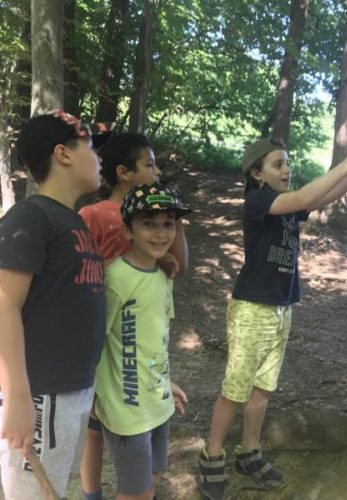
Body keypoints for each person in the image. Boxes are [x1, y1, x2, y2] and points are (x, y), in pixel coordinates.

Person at [199, 136, 347, 500]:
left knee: (263, 388)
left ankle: (249, 453)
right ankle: (212, 454)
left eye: (288, 163)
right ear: (257, 174)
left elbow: (323, 197)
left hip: (282, 307)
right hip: (253, 308)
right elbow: (306, 196)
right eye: (278, 164)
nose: (287, 169)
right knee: (235, 389)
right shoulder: (258, 201)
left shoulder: (287, 204)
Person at [0, 111, 111, 499]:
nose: (99, 158)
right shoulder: (31, 216)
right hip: (40, 395)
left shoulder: (74, 223)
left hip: (73, 392)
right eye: (91, 147)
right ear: (63, 154)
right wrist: (17, 397)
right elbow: (4, 304)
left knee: (55, 488)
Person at [78, 133, 189, 500]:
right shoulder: (114, 279)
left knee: (152, 478)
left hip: (157, 402)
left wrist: (165, 382)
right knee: (135, 490)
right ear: (127, 230)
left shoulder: (164, 276)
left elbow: (154, 340)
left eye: (169, 224)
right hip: (126, 409)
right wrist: (91, 394)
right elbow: (93, 339)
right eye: (149, 223)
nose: (161, 233)